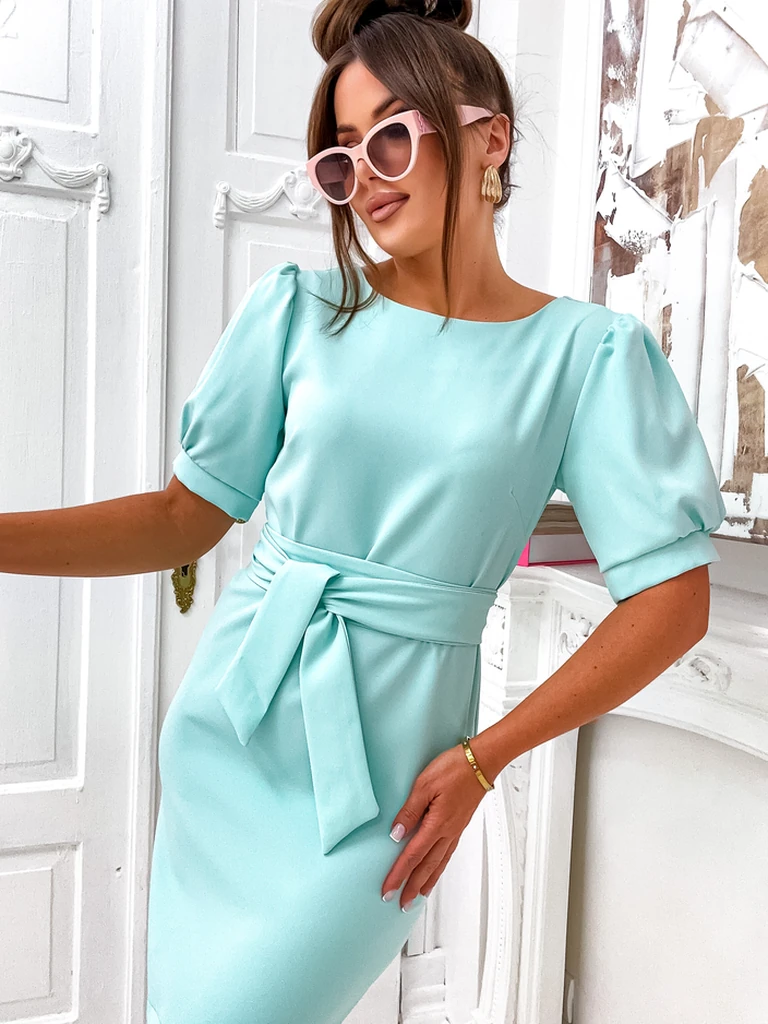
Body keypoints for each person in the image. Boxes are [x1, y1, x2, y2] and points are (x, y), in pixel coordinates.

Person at [1, 0, 727, 1021]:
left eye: (391, 137)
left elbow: (674, 602)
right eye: (342, 159)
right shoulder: (299, 310)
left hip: (387, 785)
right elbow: (180, 519)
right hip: (233, 733)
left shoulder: (586, 357)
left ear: (490, 139)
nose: (367, 180)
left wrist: (485, 758)